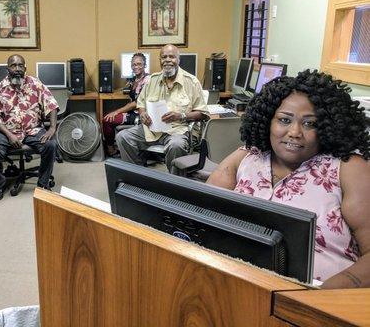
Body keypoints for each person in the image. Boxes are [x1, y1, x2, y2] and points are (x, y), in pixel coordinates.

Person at [207, 70, 370, 289]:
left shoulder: (347, 168)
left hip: (321, 294)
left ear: (327, 127)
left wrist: (337, 288)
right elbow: (202, 214)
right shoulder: (246, 157)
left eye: (309, 124)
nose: (294, 132)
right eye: (284, 120)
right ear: (268, 121)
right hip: (242, 283)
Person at [116, 44, 208, 173]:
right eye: (164, 57)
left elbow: (203, 113)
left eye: (172, 57)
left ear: (178, 60)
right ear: (160, 60)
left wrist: (181, 115)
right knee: (123, 137)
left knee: (176, 145)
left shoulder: (191, 82)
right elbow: (141, 104)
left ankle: (174, 182)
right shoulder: (152, 80)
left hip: (177, 130)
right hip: (152, 128)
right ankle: (139, 175)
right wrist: (142, 114)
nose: (167, 60)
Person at [0, 54, 58, 201]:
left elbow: (52, 105)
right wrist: (10, 135)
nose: (17, 69)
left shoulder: (35, 83)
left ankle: (43, 184)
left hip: (33, 130)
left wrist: (52, 128)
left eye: (20, 65)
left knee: (50, 145)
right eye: (13, 65)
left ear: (25, 68)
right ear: (8, 69)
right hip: (7, 131)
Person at [102, 53, 150, 156]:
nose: (136, 67)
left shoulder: (147, 80)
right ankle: (114, 147)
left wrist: (117, 111)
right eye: (133, 64)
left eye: (139, 64)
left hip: (140, 114)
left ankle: (111, 149)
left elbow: (137, 102)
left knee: (107, 119)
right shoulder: (134, 79)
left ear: (145, 65)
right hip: (132, 111)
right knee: (108, 117)